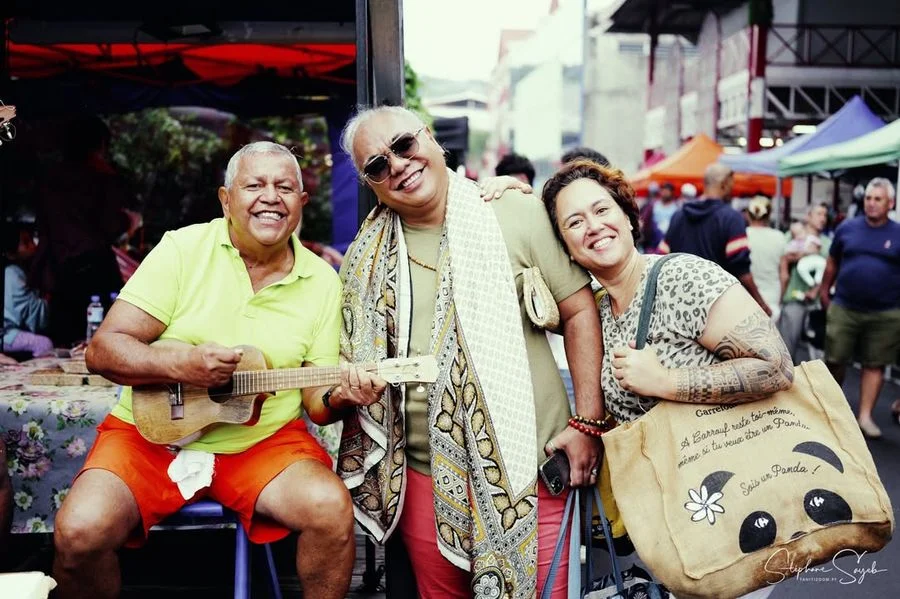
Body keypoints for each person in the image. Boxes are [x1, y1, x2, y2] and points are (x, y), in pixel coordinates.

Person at [52, 142, 384, 599]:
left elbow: (317, 402)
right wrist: (181, 363)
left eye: (285, 186)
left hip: (261, 442)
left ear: (301, 203)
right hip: (149, 438)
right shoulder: (183, 250)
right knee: (78, 533)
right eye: (255, 185)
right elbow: (103, 351)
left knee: (330, 511)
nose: (271, 196)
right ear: (226, 199)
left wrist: (344, 395)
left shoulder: (323, 281)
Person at [337, 105, 603, 598]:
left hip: (531, 470)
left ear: (432, 140)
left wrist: (586, 423)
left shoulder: (512, 213)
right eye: (377, 165)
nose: (397, 165)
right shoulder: (365, 257)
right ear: (369, 182)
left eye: (404, 145)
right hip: (421, 478)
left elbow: (580, 311)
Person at [539, 157, 792, 429]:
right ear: (566, 248)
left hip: (728, 462)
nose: (593, 226)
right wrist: (506, 188)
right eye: (575, 222)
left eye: (601, 210)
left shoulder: (684, 277)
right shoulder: (595, 307)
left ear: (626, 217)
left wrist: (665, 381)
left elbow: (776, 368)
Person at [32, 115, 139, 346]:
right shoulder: (101, 177)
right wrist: (128, 223)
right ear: (101, 144)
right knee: (106, 342)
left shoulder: (49, 179)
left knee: (64, 344)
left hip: (62, 270)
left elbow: (44, 230)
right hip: (95, 268)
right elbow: (111, 225)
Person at [819, 178, 900, 440]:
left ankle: (864, 416)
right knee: (834, 359)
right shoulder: (847, 229)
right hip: (845, 306)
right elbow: (832, 262)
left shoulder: (897, 233)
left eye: (878, 199)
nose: (871, 203)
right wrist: (823, 290)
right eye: (868, 198)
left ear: (891, 203)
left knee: (874, 364)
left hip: (885, 312)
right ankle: (830, 410)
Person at [660, 163, 771, 316]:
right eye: (732, 185)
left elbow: (662, 257)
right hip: (716, 308)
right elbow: (741, 268)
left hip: (679, 305)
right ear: (724, 184)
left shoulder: (678, 216)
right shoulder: (732, 219)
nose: (733, 190)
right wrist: (761, 303)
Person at [777, 203, 830, 361]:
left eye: (825, 215)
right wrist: (805, 253)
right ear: (808, 216)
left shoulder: (827, 243)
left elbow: (831, 271)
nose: (823, 218)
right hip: (794, 298)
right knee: (786, 349)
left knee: (818, 352)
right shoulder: (792, 236)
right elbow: (783, 261)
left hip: (818, 302)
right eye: (819, 214)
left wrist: (817, 290)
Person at [3, 222, 54, 358]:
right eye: (26, 243)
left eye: (32, 240)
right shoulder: (11, 273)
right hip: (6, 333)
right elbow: (28, 309)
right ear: (10, 253)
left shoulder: (20, 271)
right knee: (43, 343)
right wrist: (46, 299)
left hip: (10, 331)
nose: (33, 246)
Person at [745, 197, 787, 323]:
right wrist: (779, 302)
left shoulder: (742, 235)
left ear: (748, 214)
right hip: (772, 297)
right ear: (769, 215)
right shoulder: (779, 237)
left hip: (746, 296)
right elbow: (784, 276)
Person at [639, 181, 679, 253]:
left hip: (668, 241)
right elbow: (645, 220)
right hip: (653, 241)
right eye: (663, 190)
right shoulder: (653, 205)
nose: (665, 192)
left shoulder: (676, 208)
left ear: (671, 192)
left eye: (667, 190)